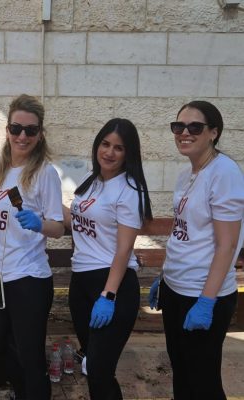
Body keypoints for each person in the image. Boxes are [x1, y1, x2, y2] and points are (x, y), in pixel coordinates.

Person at [0, 94, 64, 400]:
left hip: (29, 279)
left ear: (40, 134)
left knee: (29, 357)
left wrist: (39, 223)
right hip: (0, 278)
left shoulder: (44, 173)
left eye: (30, 130)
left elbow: (59, 227)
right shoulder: (0, 173)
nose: (23, 136)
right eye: (16, 128)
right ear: (7, 130)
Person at [148, 101, 244, 400]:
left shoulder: (224, 172)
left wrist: (206, 301)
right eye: (178, 126)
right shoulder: (187, 173)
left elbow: (227, 244)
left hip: (202, 293)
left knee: (203, 382)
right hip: (177, 288)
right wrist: (164, 276)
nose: (184, 133)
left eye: (195, 127)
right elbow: (184, 233)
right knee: (182, 372)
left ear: (213, 132)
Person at [63, 118, 153, 399]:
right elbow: (77, 222)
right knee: (91, 365)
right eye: (105, 144)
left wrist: (108, 295)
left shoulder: (129, 189)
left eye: (119, 148)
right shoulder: (91, 180)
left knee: (100, 370)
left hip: (112, 285)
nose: (109, 152)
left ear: (129, 154)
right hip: (81, 281)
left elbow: (124, 249)